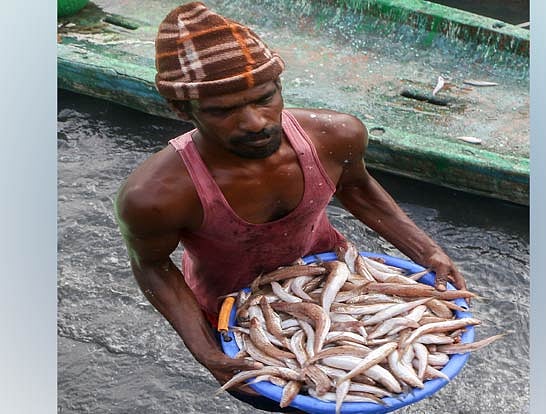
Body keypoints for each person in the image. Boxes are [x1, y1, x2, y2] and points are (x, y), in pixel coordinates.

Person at [115, 2, 466, 412]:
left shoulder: (336, 136)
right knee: (285, 401)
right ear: (181, 109)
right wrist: (206, 350)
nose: (255, 122)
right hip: (235, 312)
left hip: (337, 281)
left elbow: (358, 188)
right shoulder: (155, 196)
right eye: (223, 111)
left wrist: (427, 251)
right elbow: (152, 266)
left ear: (280, 85)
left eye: (264, 98)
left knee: (369, 388)